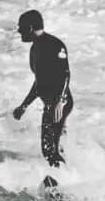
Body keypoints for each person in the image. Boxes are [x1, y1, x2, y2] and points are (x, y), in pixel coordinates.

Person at [11, 10, 73, 171]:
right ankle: (65, 176)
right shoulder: (35, 49)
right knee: (50, 149)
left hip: (60, 104)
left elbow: (65, 74)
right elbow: (39, 83)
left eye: (21, 27)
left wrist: (60, 100)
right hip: (50, 104)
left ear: (30, 27)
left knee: (50, 149)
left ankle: (63, 181)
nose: (18, 31)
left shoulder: (55, 45)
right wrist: (24, 106)